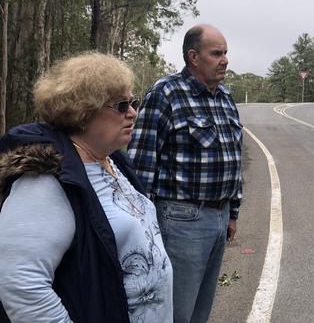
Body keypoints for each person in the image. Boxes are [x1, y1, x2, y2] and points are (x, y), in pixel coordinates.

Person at [0, 52, 173, 322]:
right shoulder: (46, 181)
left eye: (133, 102)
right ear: (83, 113)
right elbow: (20, 283)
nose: (133, 112)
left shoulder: (113, 161)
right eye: (121, 105)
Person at [128, 24, 243, 323]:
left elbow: (234, 156)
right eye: (216, 53)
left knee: (201, 311)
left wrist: (233, 213)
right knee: (177, 311)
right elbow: (141, 165)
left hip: (219, 218)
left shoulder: (226, 98)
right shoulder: (165, 93)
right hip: (182, 221)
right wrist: (141, 230)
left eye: (226, 53)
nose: (225, 60)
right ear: (193, 56)